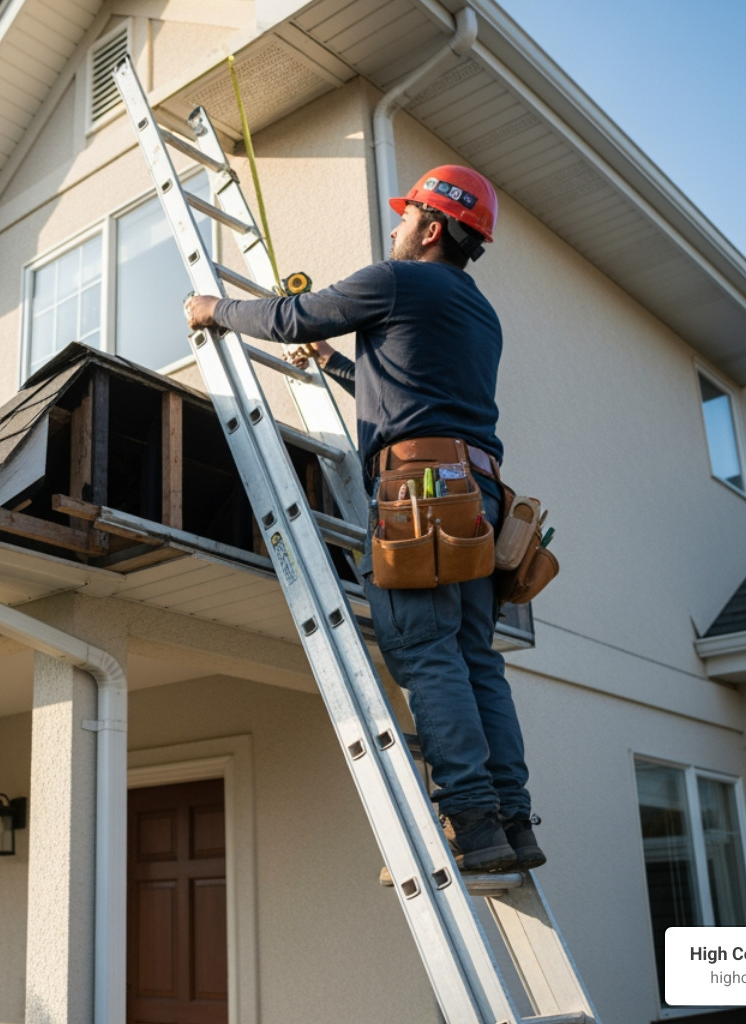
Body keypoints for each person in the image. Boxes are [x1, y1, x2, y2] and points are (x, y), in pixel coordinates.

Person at [183, 165, 543, 873]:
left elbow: (293, 313)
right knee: (475, 659)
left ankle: (470, 826)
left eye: (406, 216)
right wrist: (336, 367)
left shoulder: (399, 280)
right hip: (478, 493)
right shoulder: (478, 311)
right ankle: (511, 823)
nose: (395, 227)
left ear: (433, 228)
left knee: (427, 653)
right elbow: (412, 392)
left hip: (420, 491)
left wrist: (212, 309)